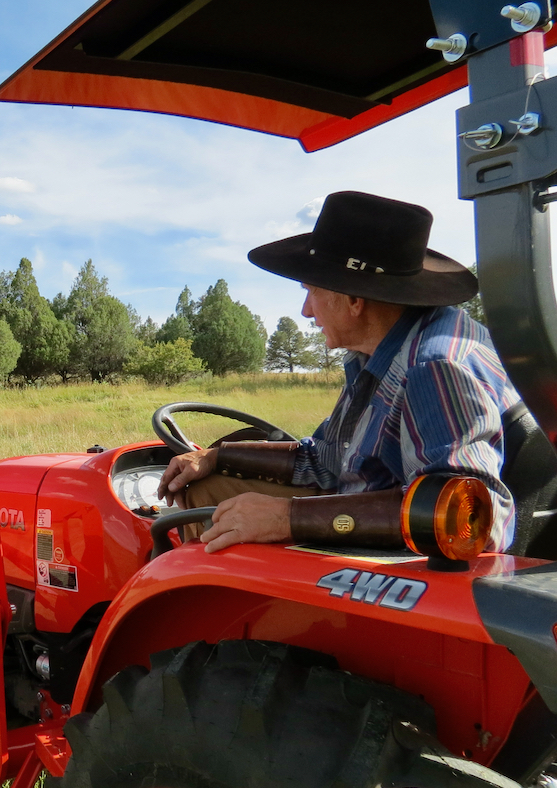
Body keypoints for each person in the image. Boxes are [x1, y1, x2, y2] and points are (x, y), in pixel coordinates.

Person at [157, 190, 522, 553]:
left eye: (311, 291)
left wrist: (286, 518)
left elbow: (466, 516)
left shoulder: (433, 367)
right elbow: (328, 458)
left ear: (353, 299)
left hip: (397, 560)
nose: (306, 310)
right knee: (205, 488)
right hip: (362, 506)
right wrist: (216, 457)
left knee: (211, 518)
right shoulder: (376, 353)